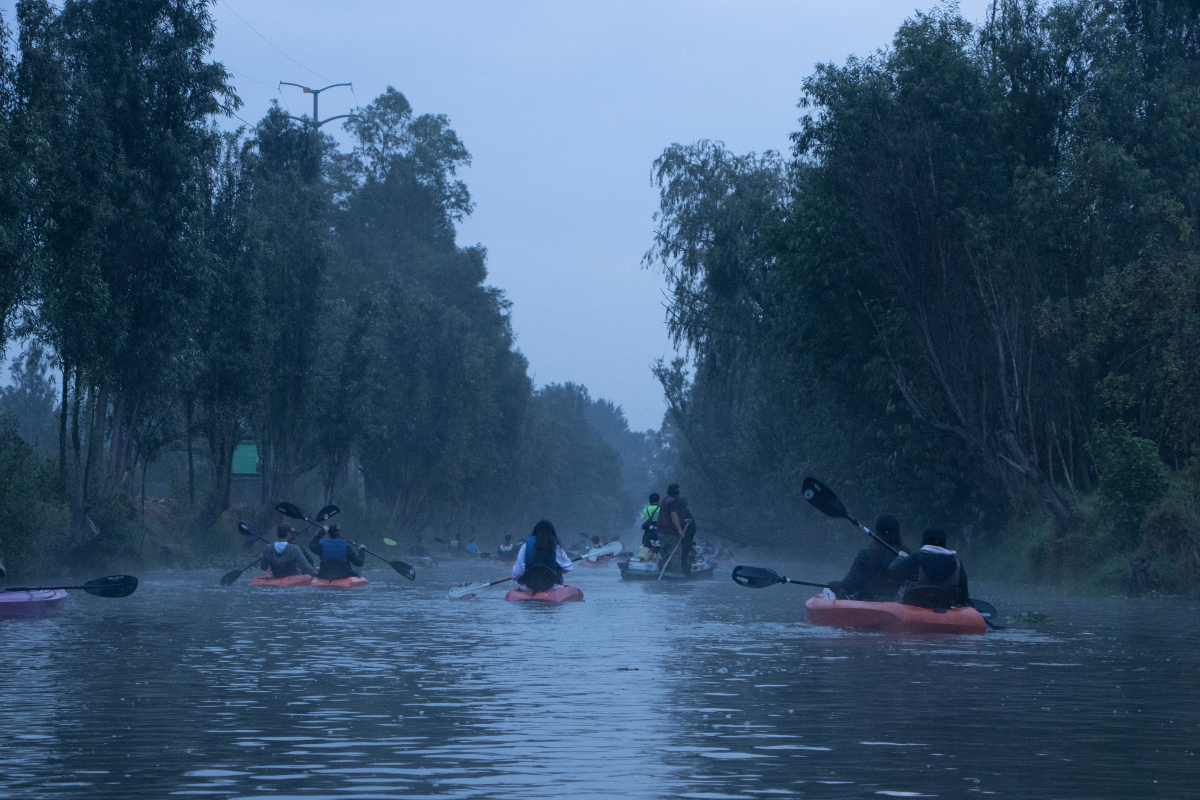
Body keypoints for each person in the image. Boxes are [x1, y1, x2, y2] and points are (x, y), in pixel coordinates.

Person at [828, 515, 905, 601]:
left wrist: (836, 586)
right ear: (897, 532)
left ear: (877, 532)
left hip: (871, 602)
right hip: (898, 603)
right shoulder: (907, 555)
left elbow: (850, 584)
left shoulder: (866, 554)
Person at [887, 529, 970, 609]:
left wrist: (900, 558)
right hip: (947, 611)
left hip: (916, 609)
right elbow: (964, 596)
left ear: (923, 542)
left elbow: (892, 571)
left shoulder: (916, 557)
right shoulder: (958, 563)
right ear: (944, 543)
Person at [512, 519, 573, 593]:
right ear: (552, 532)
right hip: (551, 586)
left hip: (529, 586)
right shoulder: (556, 546)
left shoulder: (525, 546)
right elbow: (568, 567)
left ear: (535, 531)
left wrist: (516, 576)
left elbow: (517, 573)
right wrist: (559, 569)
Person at [658, 483, 696, 576]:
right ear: (677, 492)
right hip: (671, 533)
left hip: (662, 532)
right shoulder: (673, 502)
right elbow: (673, 515)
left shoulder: (664, 500)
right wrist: (679, 530)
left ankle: (665, 573)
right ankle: (675, 576)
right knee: (675, 554)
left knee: (665, 554)